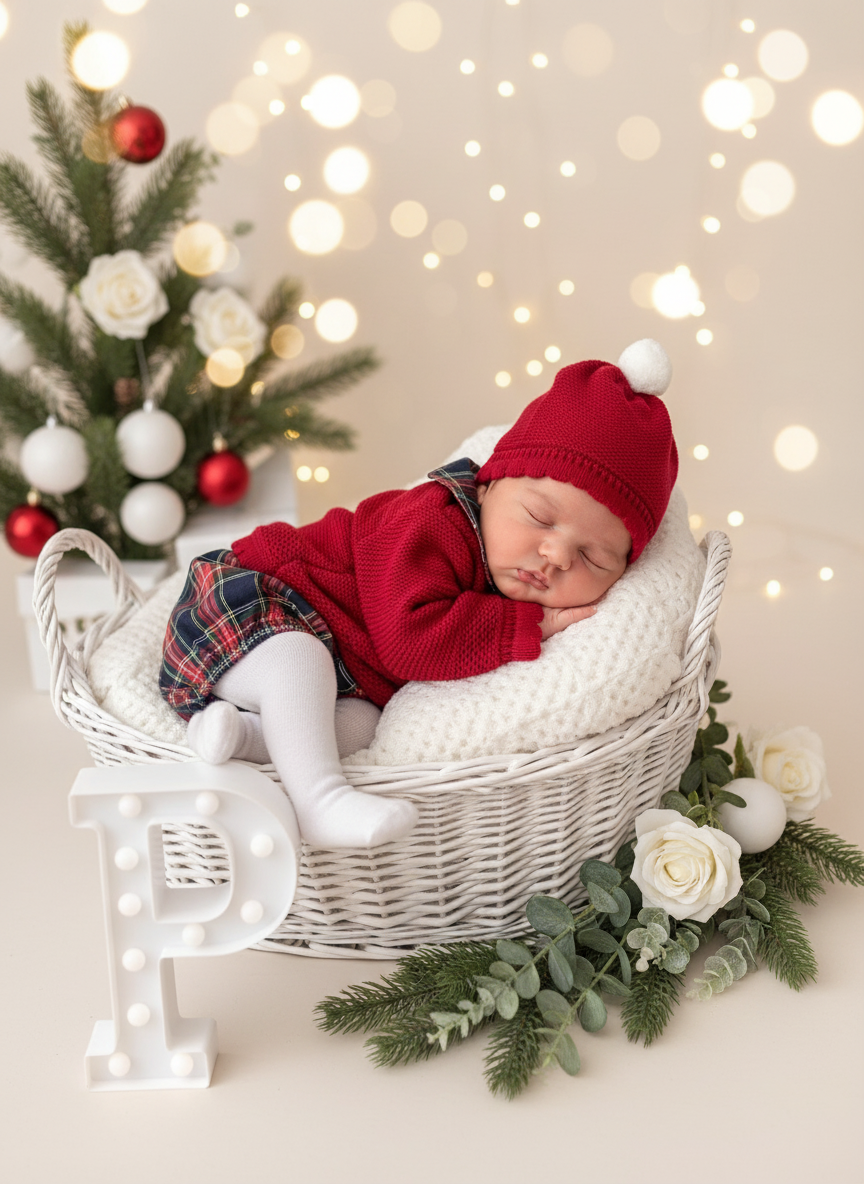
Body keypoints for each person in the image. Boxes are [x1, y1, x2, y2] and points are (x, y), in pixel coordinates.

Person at [159, 339, 678, 850]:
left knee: (363, 727)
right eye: (540, 517)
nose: (557, 556)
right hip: (252, 604)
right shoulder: (432, 522)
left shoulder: (505, 564)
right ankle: (319, 802)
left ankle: (243, 737)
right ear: (489, 486)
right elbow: (409, 642)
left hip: (336, 670)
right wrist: (526, 626)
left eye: (593, 559)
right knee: (299, 660)